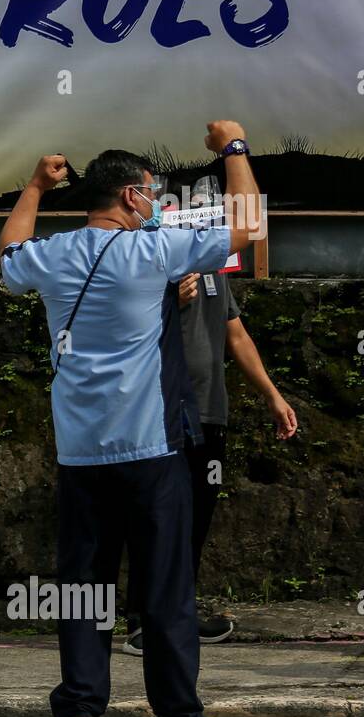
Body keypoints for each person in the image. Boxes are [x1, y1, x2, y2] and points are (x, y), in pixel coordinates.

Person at [0, 122, 259, 717]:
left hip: (80, 455)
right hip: (150, 448)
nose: (159, 203)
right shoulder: (156, 250)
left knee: (84, 586)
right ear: (130, 197)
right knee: (166, 587)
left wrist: (33, 185)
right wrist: (234, 149)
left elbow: (8, 254)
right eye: (153, 193)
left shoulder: (55, 255)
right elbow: (249, 226)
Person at [122, 263, 298, 655]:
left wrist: (272, 395)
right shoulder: (151, 261)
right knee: (155, 516)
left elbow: (235, 334)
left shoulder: (216, 270)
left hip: (209, 411)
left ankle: (178, 614)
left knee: (195, 516)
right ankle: (142, 622)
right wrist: (166, 298)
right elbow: (120, 325)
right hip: (161, 409)